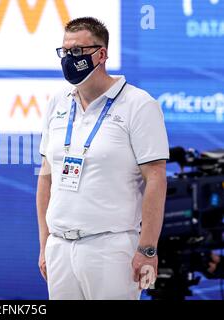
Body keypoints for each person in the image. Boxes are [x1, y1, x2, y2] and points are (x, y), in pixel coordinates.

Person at [36, 17, 169, 300]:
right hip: (59, 247)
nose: (69, 59)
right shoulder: (57, 103)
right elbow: (47, 176)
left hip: (111, 249)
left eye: (77, 51)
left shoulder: (139, 104)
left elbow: (156, 178)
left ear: (101, 54)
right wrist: (45, 243)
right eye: (64, 51)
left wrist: (147, 250)